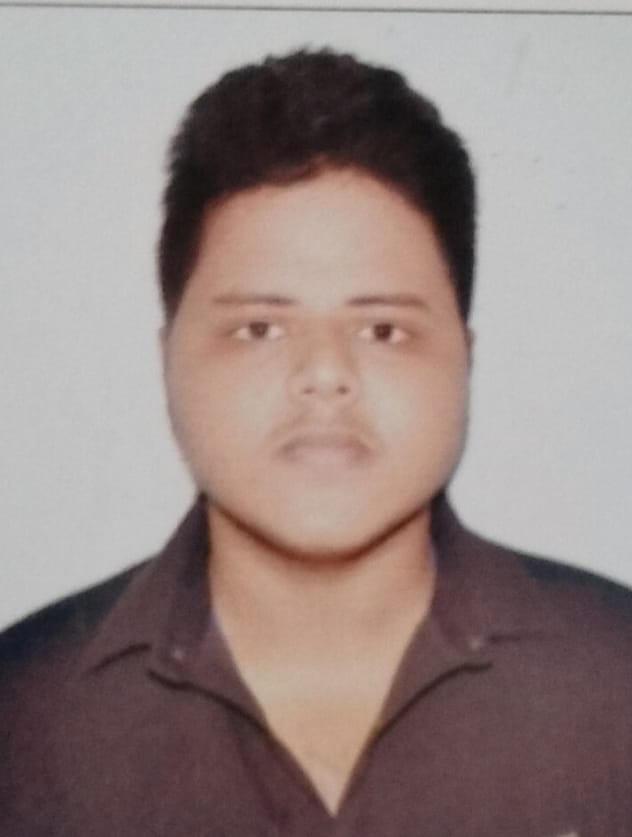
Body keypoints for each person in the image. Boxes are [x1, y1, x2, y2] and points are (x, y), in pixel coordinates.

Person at [1, 48, 631, 837]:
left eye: (383, 329)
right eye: (260, 328)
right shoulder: (23, 716)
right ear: (168, 360)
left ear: (464, 360)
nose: (326, 375)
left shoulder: (617, 686)